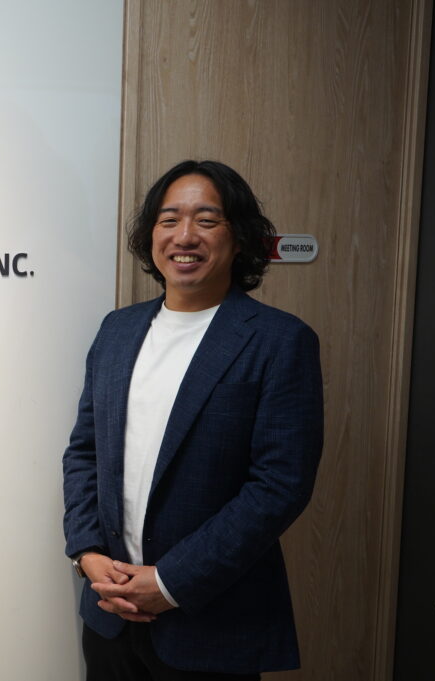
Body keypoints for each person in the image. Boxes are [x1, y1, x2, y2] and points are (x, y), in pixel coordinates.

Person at [62, 160, 324, 680]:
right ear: (151, 236)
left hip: (212, 624)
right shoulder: (117, 331)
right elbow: (85, 452)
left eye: (206, 220)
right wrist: (87, 552)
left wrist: (170, 582)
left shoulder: (279, 340)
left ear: (239, 237)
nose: (184, 236)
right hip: (110, 617)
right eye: (169, 220)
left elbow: (279, 486)